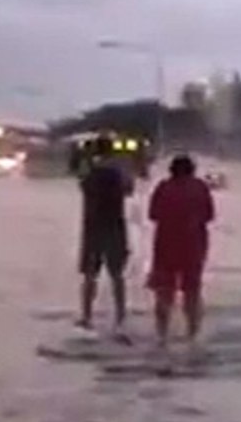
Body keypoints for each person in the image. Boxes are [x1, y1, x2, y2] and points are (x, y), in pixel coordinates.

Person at [147, 154, 216, 350]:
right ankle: (192, 335)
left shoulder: (163, 188)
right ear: (192, 170)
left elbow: (153, 215)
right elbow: (209, 216)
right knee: (192, 292)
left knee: (164, 293)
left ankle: (162, 335)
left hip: (165, 246)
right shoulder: (200, 188)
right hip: (193, 246)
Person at [75, 135, 133, 338]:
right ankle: (120, 317)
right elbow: (129, 189)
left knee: (90, 275)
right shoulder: (119, 171)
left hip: (93, 228)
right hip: (115, 226)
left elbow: (82, 186)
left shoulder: (89, 171)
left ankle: (86, 316)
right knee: (117, 275)